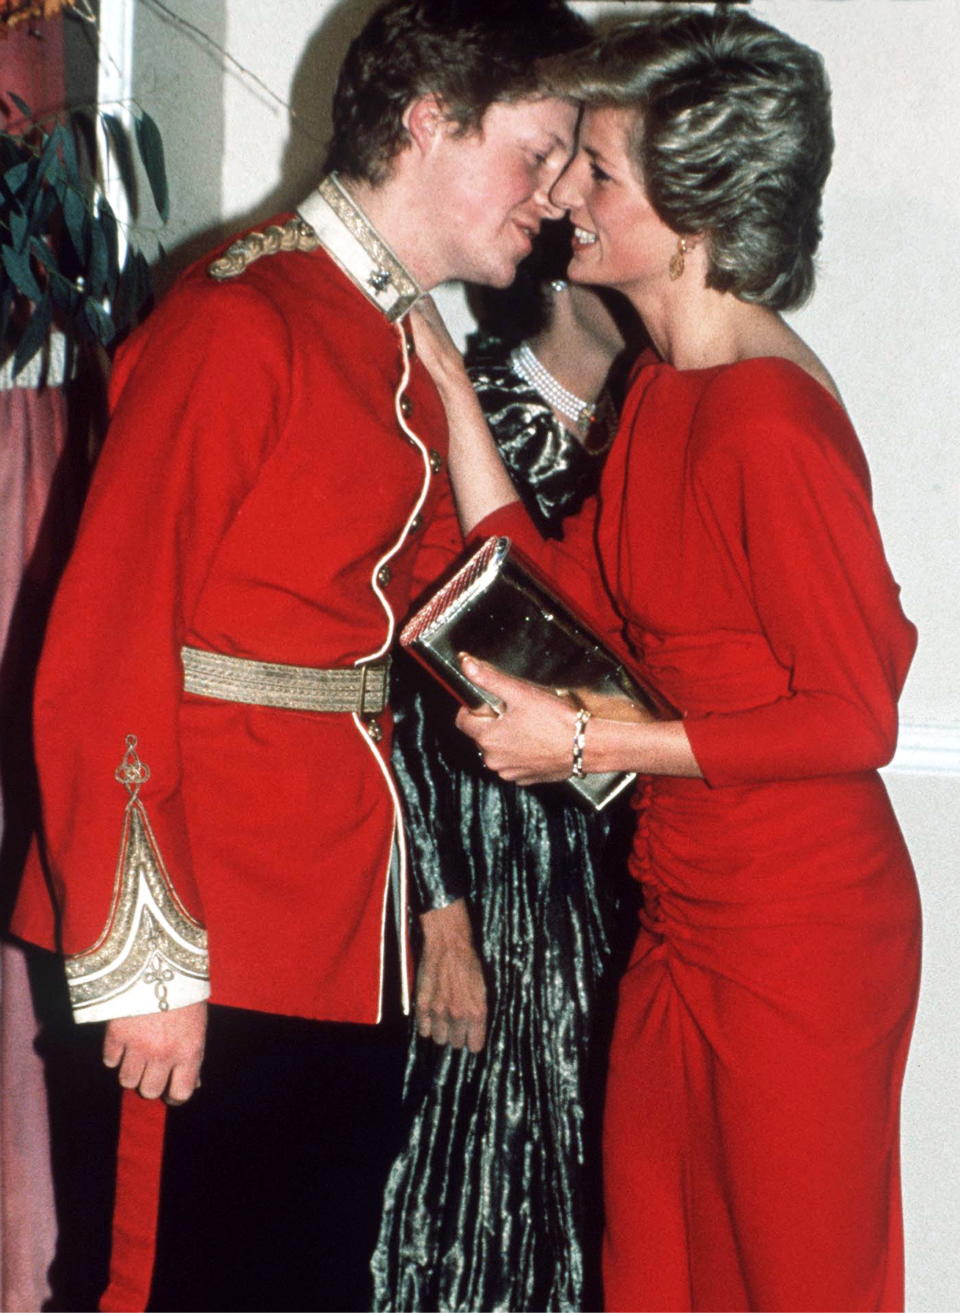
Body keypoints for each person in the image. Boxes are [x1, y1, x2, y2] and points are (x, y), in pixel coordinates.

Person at [7, 2, 590, 1309]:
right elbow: (102, 650)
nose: (556, 196)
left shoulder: (391, 336)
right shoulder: (241, 318)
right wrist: (144, 963)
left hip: (341, 936)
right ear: (432, 123)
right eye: (539, 151)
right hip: (201, 938)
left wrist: (428, 904)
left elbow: (486, 639)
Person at [408, 9, 922, 1312]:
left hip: (800, 939)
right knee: (659, 1278)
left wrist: (587, 747)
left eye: (599, 174)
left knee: (795, 1287)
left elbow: (855, 715)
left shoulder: (763, 418)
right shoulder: (661, 390)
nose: (563, 191)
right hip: (686, 914)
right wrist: (453, 398)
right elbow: (586, 600)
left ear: (692, 216)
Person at [372, 220, 642, 1313]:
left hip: (632, 885)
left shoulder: (668, 421)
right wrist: (437, 911)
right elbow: (381, 673)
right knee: (462, 1205)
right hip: (479, 880)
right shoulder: (445, 405)